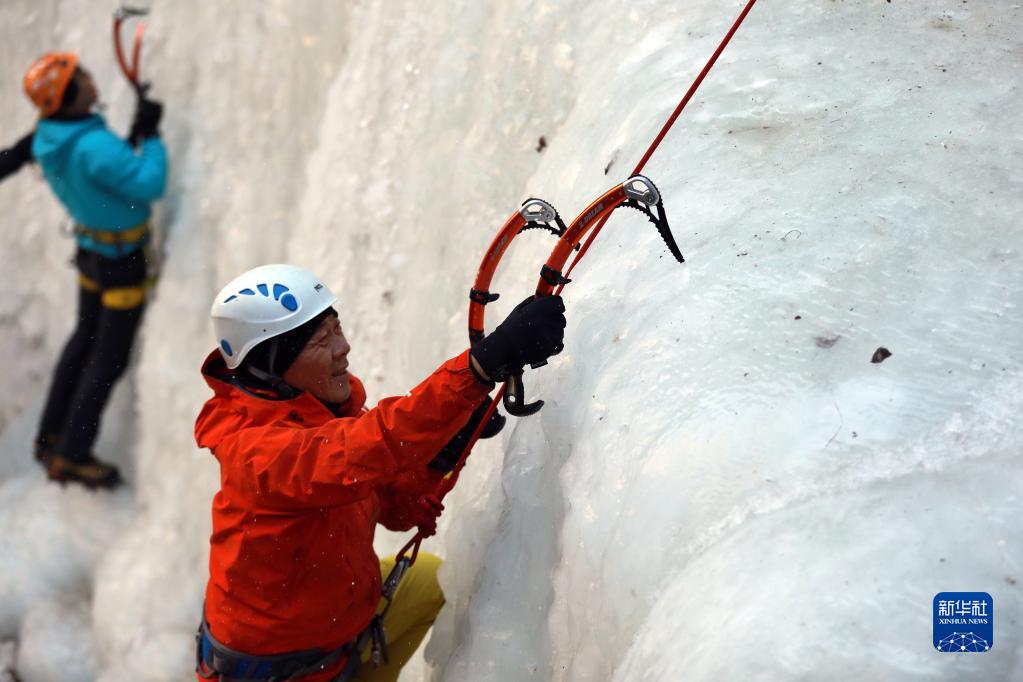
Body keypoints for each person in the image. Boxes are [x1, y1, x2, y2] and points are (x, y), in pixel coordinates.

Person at [195, 264, 566, 682]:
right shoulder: (257, 453)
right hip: (283, 671)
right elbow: (363, 449)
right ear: (274, 364)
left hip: (341, 637)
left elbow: (390, 506)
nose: (344, 348)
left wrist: (441, 454)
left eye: (337, 329)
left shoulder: (323, 412)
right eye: (322, 340)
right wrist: (479, 368)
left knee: (432, 580)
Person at [0, 53, 168, 488]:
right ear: (71, 98)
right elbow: (149, 183)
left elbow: (106, 176)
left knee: (82, 342)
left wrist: (134, 135)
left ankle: (50, 435)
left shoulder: (48, 135)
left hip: (92, 252)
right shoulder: (95, 145)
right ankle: (72, 454)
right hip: (122, 262)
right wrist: (149, 135)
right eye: (83, 79)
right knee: (107, 358)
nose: (92, 82)